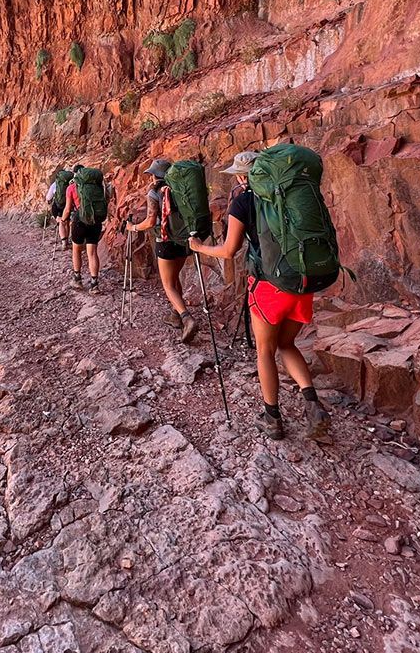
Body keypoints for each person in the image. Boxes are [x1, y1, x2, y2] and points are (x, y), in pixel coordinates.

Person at [189, 150, 330, 440]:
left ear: (244, 176)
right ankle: (312, 404)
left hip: (268, 287)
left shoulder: (243, 202)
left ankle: (272, 417)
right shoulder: (290, 198)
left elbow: (229, 251)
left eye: (238, 175)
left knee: (265, 351)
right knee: (287, 343)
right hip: (301, 282)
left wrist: (199, 248)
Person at [125, 159, 197, 343]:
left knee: (168, 285)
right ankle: (175, 315)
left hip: (165, 241)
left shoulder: (154, 192)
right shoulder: (182, 189)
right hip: (184, 240)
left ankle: (186, 317)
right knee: (174, 278)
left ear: (156, 175)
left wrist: (133, 228)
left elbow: (150, 221)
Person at [61, 163, 104, 292]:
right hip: (95, 220)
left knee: (76, 250)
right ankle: (94, 284)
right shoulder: (98, 187)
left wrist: (63, 220)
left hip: (80, 219)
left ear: (75, 174)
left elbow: (68, 209)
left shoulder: (72, 188)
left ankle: (77, 279)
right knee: (92, 252)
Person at [45, 172, 69, 251]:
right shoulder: (71, 183)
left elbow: (48, 197)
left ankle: (64, 242)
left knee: (60, 222)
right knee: (67, 222)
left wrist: (48, 201)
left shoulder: (55, 184)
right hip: (68, 206)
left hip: (57, 207)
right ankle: (67, 240)